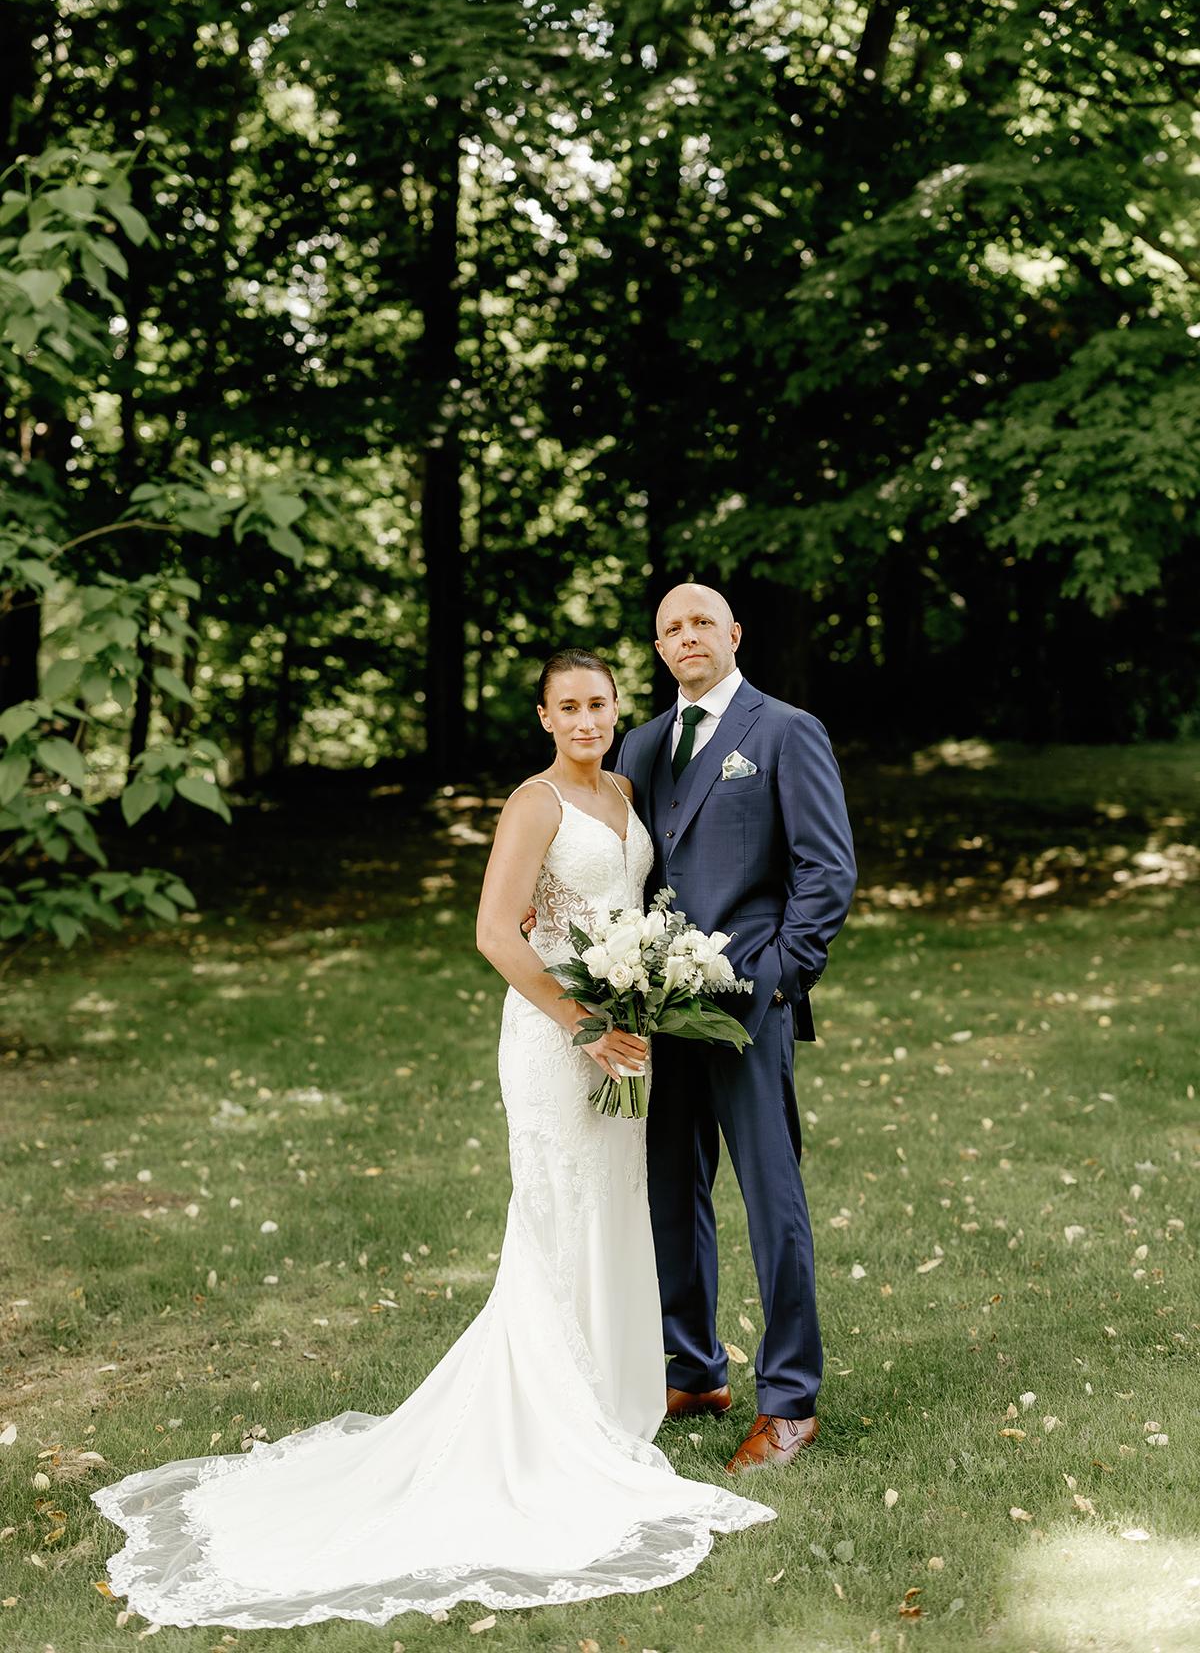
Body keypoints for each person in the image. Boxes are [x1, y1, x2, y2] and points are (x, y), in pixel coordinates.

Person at [90, 648, 774, 1633]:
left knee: (618, 1208)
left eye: (598, 703)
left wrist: (636, 995)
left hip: (626, 1032)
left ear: (617, 708)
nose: (586, 719)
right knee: (556, 1215)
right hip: (556, 1038)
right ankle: (552, 1419)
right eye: (567, 707)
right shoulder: (533, 803)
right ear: (543, 716)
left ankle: (620, 1407)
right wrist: (580, 1019)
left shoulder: (626, 788)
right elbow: (498, 932)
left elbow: (620, 907)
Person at [614, 584, 856, 1472]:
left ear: (733, 635)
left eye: (702, 622)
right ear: (659, 647)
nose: (687, 637)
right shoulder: (640, 745)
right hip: (657, 1011)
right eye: (671, 627)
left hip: (749, 1014)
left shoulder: (785, 730)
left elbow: (826, 870)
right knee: (670, 1197)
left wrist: (779, 980)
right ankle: (694, 1369)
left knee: (772, 1202)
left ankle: (790, 1400)